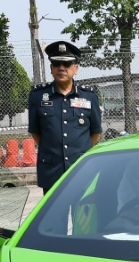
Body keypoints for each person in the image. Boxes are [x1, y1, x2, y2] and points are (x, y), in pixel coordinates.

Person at [28, 41, 102, 194]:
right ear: (51, 68)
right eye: (56, 63)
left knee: (83, 210)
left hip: (81, 170)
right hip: (51, 171)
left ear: (76, 69)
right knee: (54, 211)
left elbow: (95, 133)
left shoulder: (89, 96)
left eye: (67, 64)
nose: (61, 68)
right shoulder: (38, 96)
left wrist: (80, 152)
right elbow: (35, 132)